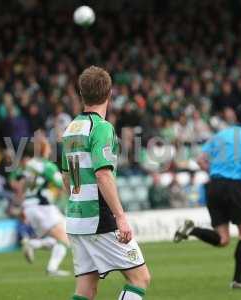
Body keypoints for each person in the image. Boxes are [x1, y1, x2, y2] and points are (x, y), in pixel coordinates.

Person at [62, 66, 150, 300]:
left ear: (81, 94)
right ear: (110, 94)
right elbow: (103, 174)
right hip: (99, 218)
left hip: (76, 217)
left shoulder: (70, 129)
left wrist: (77, 202)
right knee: (140, 278)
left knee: (86, 288)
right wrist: (120, 217)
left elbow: (66, 177)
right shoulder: (101, 128)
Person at [174, 103, 241, 289]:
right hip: (234, 186)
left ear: (236, 117)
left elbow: (199, 160)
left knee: (223, 239)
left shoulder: (219, 135)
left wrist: (214, 170)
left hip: (213, 186)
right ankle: (238, 280)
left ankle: (192, 230)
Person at [20, 136, 70, 276]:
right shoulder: (47, 166)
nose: (49, 149)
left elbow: (23, 186)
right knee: (65, 239)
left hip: (30, 206)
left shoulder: (29, 165)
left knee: (57, 240)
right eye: (47, 146)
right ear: (43, 149)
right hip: (41, 206)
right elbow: (62, 184)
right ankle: (52, 269)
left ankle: (33, 244)